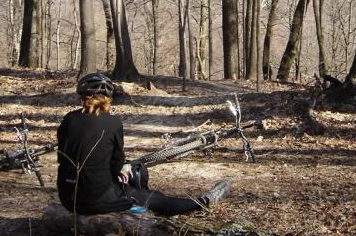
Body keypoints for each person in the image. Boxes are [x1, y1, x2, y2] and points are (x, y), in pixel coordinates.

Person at [57, 72, 230, 216]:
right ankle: (202, 202)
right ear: (108, 100)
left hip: (68, 198)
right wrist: (120, 171)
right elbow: (116, 163)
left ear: (82, 97)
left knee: (129, 175)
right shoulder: (113, 123)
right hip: (98, 200)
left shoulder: (68, 120)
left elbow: (62, 157)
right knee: (157, 197)